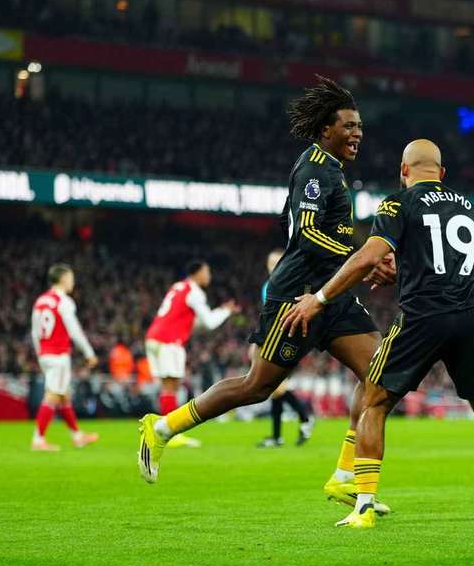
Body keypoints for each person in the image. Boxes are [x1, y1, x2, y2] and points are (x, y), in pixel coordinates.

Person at [137, 77, 395, 519]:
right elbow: (307, 234)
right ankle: (162, 428)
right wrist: (362, 262)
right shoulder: (314, 169)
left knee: (380, 374)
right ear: (326, 130)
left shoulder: (331, 170)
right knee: (256, 386)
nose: (357, 133)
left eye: (360, 126)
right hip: (296, 298)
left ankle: (345, 476)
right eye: (348, 126)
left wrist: (356, 266)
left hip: (330, 295)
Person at [283, 139, 474, 529]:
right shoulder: (470, 209)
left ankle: (363, 504)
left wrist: (320, 298)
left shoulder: (398, 203)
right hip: (472, 317)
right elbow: (442, 264)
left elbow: (368, 257)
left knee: (374, 402)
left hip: (422, 317)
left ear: (403, 170)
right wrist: (406, 270)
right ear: (442, 173)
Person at [144, 260, 240, 449]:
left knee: (168, 386)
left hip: (154, 337)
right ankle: (168, 434)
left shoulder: (179, 287)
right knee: (171, 386)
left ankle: (163, 431)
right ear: (197, 273)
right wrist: (226, 311)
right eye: (207, 272)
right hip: (168, 340)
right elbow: (210, 323)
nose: (209, 276)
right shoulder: (194, 292)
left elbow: (188, 320)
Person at [30, 264, 99, 451]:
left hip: (45, 353)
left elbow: (35, 332)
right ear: (63, 279)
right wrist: (89, 353)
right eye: (71, 278)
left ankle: (77, 436)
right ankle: (38, 439)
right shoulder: (64, 301)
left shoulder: (41, 301)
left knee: (63, 396)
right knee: (53, 395)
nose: (73, 282)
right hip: (58, 354)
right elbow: (74, 330)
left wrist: (40, 354)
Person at [255, 249, 315, 448]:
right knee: (276, 388)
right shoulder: (269, 286)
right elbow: (268, 316)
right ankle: (278, 436)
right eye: (270, 263)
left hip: (287, 339)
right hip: (276, 338)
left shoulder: (288, 283)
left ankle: (305, 418)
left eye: (276, 262)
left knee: (276, 387)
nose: (273, 267)